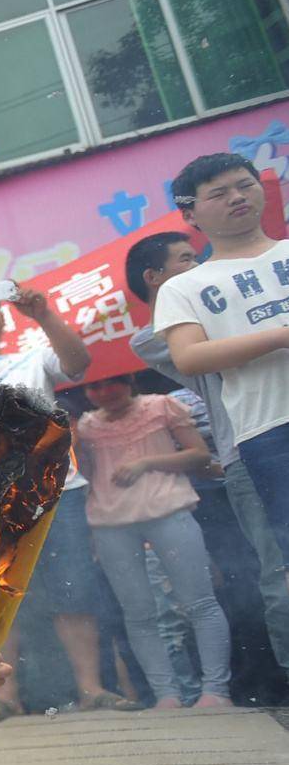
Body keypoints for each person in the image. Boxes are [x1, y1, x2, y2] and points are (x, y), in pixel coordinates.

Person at [0, 287, 127, 720]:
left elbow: (78, 362)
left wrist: (43, 314)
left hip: (53, 488)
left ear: (6, 318)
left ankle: (90, 687)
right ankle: (5, 695)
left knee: (74, 588)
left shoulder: (32, 357)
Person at [129, 229, 289, 690]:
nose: (199, 265)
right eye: (185, 260)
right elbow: (163, 339)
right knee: (279, 565)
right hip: (248, 451)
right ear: (155, 279)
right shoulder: (156, 339)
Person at [153, 153, 289, 587]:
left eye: (245, 185)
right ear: (190, 213)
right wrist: (282, 336)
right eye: (219, 193)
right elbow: (189, 357)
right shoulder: (183, 286)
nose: (237, 197)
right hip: (268, 430)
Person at [76, 373, 233, 709]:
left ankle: (216, 690)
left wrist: (147, 463)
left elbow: (199, 455)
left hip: (169, 510)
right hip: (111, 521)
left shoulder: (162, 406)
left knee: (200, 602)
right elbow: (86, 473)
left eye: (112, 382)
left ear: (129, 381)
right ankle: (167, 695)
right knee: (138, 613)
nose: (105, 391)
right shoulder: (86, 428)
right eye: (95, 386)